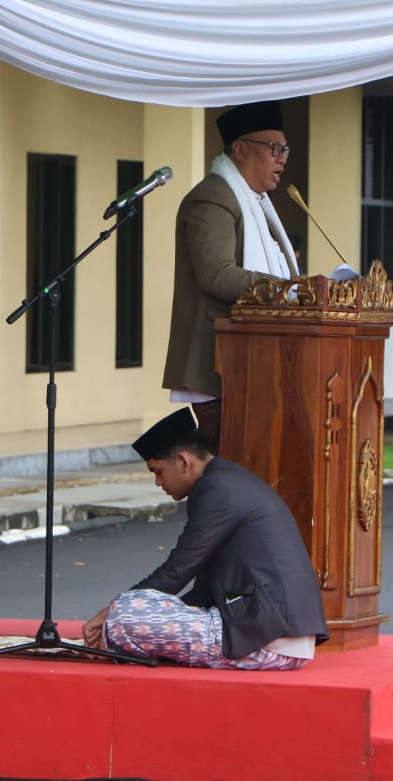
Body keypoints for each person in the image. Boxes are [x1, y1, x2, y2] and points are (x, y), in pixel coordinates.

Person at [82, 408, 328, 670]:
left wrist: (112, 611)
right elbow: (205, 586)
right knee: (134, 610)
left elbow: (178, 570)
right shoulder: (228, 480)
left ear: (183, 461)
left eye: (158, 471)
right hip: (274, 631)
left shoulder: (217, 489)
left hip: (270, 639)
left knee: (126, 615)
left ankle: (111, 635)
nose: (157, 482)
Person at [162, 100, 300, 450]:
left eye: (284, 149)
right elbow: (215, 273)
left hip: (243, 356)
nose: (282, 158)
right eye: (274, 148)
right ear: (240, 149)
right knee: (227, 466)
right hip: (220, 361)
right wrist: (286, 291)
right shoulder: (213, 198)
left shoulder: (253, 201)